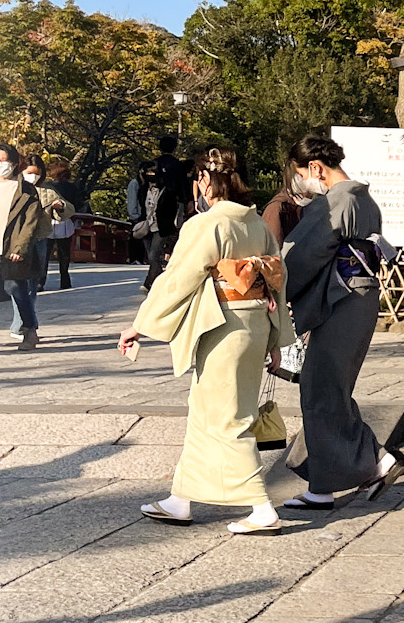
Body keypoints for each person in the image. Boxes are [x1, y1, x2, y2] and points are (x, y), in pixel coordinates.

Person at [117, 147, 293, 535]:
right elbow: (276, 283)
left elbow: (178, 279)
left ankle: (262, 508)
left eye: (196, 179)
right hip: (254, 323)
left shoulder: (208, 225)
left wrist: (140, 325)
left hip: (223, 328)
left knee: (229, 416)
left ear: (204, 181)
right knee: (205, 412)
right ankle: (181, 498)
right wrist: (277, 337)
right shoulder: (256, 224)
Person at [280, 133, 399, 511]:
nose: (301, 182)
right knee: (331, 388)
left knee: (320, 389)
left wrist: (277, 287)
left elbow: (300, 257)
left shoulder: (334, 202)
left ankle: (372, 462)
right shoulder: (364, 199)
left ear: (314, 168)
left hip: (340, 299)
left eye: (301, 173)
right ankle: (330, 480)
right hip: (359, 297)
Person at [0, 145, 49, 352]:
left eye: (2, 160)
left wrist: (20, 248)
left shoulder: (25, 190)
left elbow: (30, 223)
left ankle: (29, 330)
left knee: (17, 290)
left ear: (13, 163)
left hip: (12, 249)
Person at [140, 134, 189, 288]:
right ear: (174, 149)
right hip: (171, 206)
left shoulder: (152, 165)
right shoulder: (178, 166)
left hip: (151, 208)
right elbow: (183, 186)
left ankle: (151, 281)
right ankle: (154, 280)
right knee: (157, 249)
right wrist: (187, 202)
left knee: (153, 252)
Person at [39, 158, 82, 291]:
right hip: (66, 220)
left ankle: (41, 281)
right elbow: (78, 204)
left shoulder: (47, 186)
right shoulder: (73, 187)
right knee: (64, 253)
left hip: (49, 220)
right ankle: (65, 280)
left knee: (45, 253)